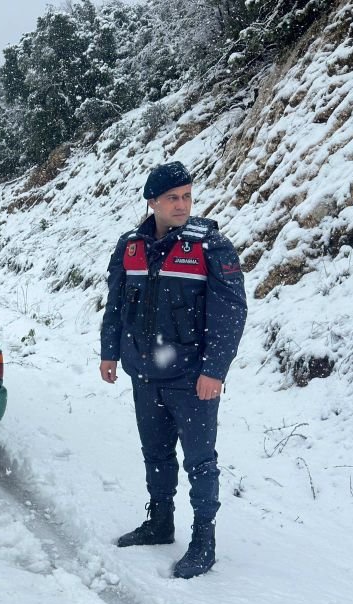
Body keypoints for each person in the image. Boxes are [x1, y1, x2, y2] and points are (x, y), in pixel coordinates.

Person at [99, 161, 248, 579]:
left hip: (191, 377)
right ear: (153, 203)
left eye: (186, 196)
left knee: (200, 462)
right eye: (172, 198)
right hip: (143, 372)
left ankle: (204, 539)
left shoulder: (210, 247)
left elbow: (230, 313)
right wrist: (109, 352)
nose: (182, 205)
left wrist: (214, 371)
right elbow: (115, 305)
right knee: (156, 453)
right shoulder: (130, 247)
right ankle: (160, 521)